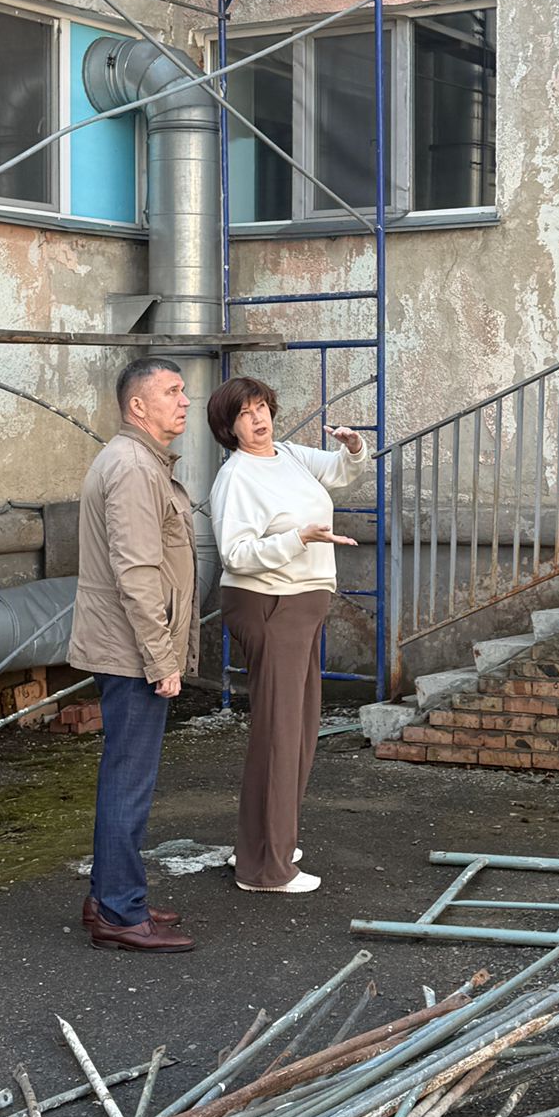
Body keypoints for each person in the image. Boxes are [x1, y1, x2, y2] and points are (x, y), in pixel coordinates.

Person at [207, 376, 368, 894]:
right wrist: (298, 538)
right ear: (228, 428)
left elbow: (341, 472)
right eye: (244, 413)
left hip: (300, 604)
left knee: (298, 732)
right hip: (270, 603)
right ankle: (264, 869)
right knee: (279, 735)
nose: (258, 419)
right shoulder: (237, 477)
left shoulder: (290, 454)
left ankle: (266, 843)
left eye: (261, 407)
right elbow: (236, 554)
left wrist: (353, 447)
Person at [67, 357, 199, 952]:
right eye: (172, 391)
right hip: (132, 650)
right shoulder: (133, 467)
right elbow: (137, 573)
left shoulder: (139, 461)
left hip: (127, 647)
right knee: (129, 780)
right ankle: (121, 912)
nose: (185, 400)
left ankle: (109, 897)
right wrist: (162, 658)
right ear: (137, 406)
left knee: (125, 774)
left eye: (184, 391)